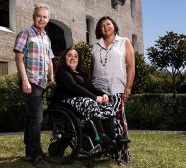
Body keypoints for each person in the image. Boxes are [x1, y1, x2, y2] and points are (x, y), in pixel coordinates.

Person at [13, 3, 54, 168]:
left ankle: (29, 151)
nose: (41, 19)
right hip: (31, 81)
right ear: (33, 16)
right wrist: (24, 80)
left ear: (48, 19)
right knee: (37, 118)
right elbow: (19, 58)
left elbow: (50, 60)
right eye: (39, 16)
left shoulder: (46, 37)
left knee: (31, 117)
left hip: (43, 82)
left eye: (45, 17)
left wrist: (52, 78)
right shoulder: (26, 33)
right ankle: (37, 156)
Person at [91, 16, 135, 165]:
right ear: (99, 29)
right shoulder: (96, 45)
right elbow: (92, 68)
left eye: (108, 24)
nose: (106, 27)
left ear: (114, 26)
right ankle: (106, 149)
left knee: (119, 121)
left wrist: (128, 87)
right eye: (102, 25)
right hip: (98, 89)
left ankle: (123, 154)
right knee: (103, 121)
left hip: (117, 88)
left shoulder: (124, 42)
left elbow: (131, 66)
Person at [54, 47, 116, 148]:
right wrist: (95, 98)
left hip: (82, 102)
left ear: (78, 59)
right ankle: (100, 137)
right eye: (69, 56)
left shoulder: (82, 74)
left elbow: (91, 88)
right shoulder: (62, 71)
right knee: (90, 102)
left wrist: (104, 95)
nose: (73, 58)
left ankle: (112, 138)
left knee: (107, 107)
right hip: (65, 101)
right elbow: (74, 86)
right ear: (64, 58)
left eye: (75, 56)